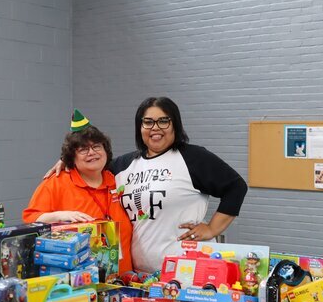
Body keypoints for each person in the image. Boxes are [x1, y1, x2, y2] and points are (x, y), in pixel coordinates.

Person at [45, 97, 247, 273]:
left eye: (163, 121)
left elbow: (236, 187)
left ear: (175, 124)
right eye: (148, 122)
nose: (155, 128)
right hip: (140, 274)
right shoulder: (123, 166)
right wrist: (66, 161)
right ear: (140, 127)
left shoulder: (192, 157)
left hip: (188, 268)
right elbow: (92, 161)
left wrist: (212, 229)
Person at [23, 110, 132, 273]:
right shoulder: (57, 183)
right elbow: (30, 220)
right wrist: (61, 215)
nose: (91, 153)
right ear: (71, 156)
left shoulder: (118, 180)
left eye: (96, 146)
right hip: (80, 282)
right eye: (83, 149)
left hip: (124, 278)